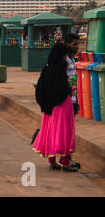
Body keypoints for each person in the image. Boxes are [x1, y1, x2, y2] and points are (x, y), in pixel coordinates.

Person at [33, 43, 77, 172]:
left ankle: (52, 161)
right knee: (64, 132)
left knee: (51, 132)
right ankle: (65, 162)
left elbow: (40, 89)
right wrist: (71, 89)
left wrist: (45, 104)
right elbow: (62, 89)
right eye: (65, 55)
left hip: (49, 107)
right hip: (62, 105)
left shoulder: (47, 69)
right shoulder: (60, 69)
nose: (65, 58)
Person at [63, 33, 81, 169]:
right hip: (66, 100)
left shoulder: (72, 58)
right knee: (66, 131)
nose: (77, 47)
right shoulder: (64, 59)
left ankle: (66, 158)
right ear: (67, 44)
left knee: (69, 131)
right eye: (75, 44)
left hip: (73, 99)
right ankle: (65, 159)